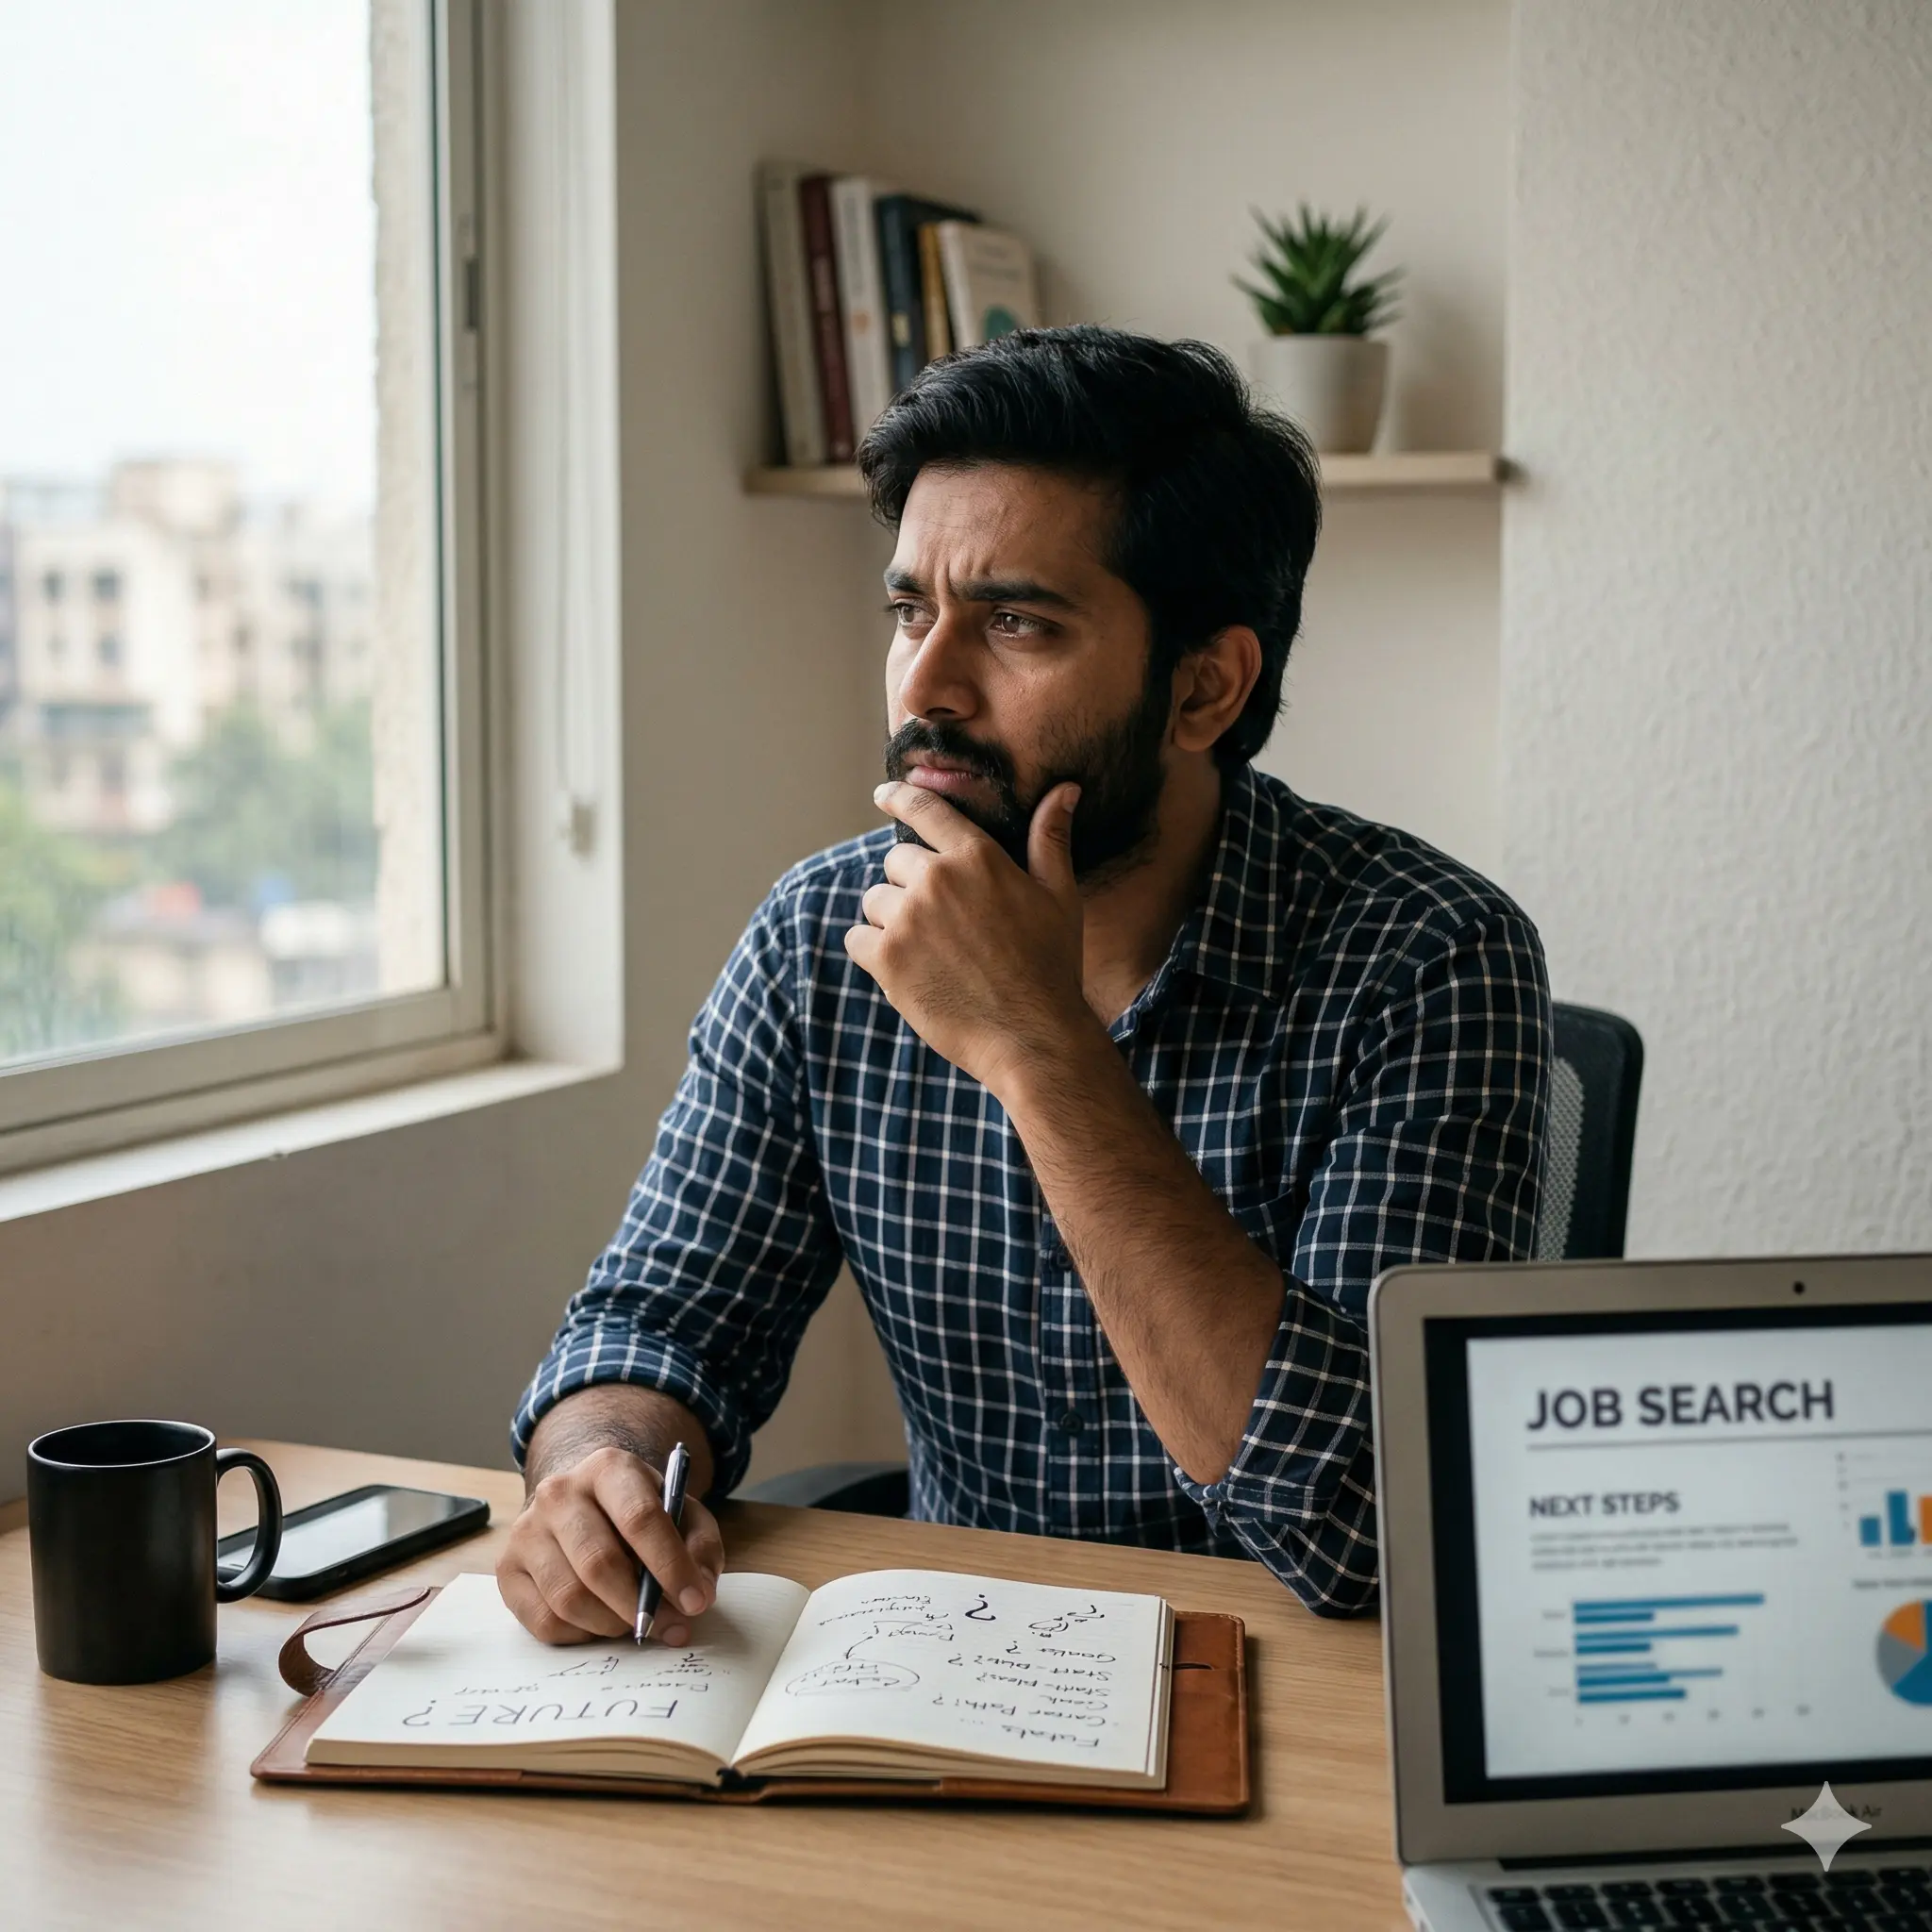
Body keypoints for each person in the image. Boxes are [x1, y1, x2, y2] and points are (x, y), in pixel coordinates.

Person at [498, 326, 1550, 1646]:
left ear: (1205, 687)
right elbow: (656, 1321)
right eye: (908, 611)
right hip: (951, 1678)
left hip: (1306, 1703)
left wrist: (1038, 1046)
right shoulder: (825, 931)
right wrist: (594, 1467)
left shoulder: (1429, 959)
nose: (925, 684)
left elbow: (1366, 1531)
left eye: (1015, 622)